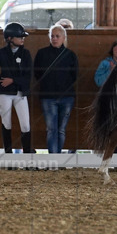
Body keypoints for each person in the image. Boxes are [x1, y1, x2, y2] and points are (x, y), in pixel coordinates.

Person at [0, 23, 33, 153]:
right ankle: (8, 153)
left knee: (25, 124)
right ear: (10, 38)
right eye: (19, 37)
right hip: (5, 93)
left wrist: (12, 80)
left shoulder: (26, 54)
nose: (23, 39)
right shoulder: (1, 54)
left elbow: (29, 75)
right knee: (6, 123)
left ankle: (28, 153)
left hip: (20, 92)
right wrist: (0, 81)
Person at [33, 24, 79, 154]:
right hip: (48, 97)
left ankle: (58, 159)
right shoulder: (41, 53)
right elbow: (37, 73)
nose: (54, 38)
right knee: (52, 129)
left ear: (63, 37)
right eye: (52, 36)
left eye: (57, 36)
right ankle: (54, 159)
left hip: (67, 97)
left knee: (61, 129)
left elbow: (74, 75)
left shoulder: (70, 55)